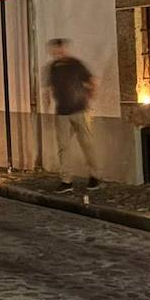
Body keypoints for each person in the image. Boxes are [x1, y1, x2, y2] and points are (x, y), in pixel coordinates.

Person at [45, 38, 100, 191]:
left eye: (60, 49)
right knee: (63, 147)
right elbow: (49, 88)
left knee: (87, 144)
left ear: (64, 49)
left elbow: (92, 81)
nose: (57, 52)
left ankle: (94, 176)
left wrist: (89, 98)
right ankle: (66, 180)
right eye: (54, 50)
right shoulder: (53, 67)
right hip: (61, 112)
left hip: (79, 110)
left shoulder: (75, 64)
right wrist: (48, 104)